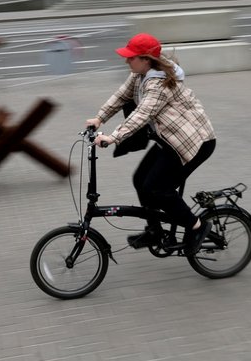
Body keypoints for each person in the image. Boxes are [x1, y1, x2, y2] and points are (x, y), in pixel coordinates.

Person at [86, 33, 216, 254]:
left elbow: (142, 114)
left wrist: (113, 137)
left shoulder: (159, 83)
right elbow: (121, 96)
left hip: (193, 144)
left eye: (132, 57)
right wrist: (100, 118)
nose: (127, 60)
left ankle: (197, 225)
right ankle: (155, 230)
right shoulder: (139, 74)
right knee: (140, 179)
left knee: (157, 188)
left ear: (146, 59)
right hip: (170, 141)